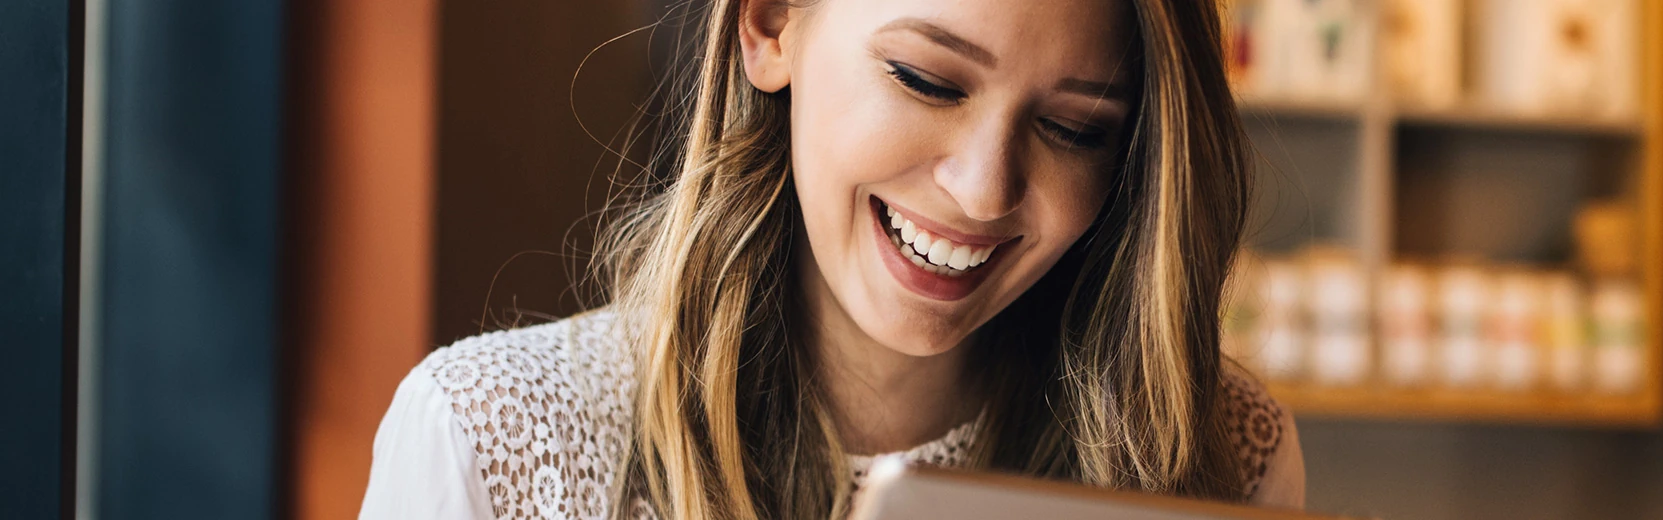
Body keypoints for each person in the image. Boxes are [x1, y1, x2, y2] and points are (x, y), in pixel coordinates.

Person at [356, 0, 1300, 517]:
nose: (982, 190)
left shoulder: (1220, 454)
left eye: (1074, 129)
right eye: (926, 81)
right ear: (769, 25)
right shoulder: (491, 441)